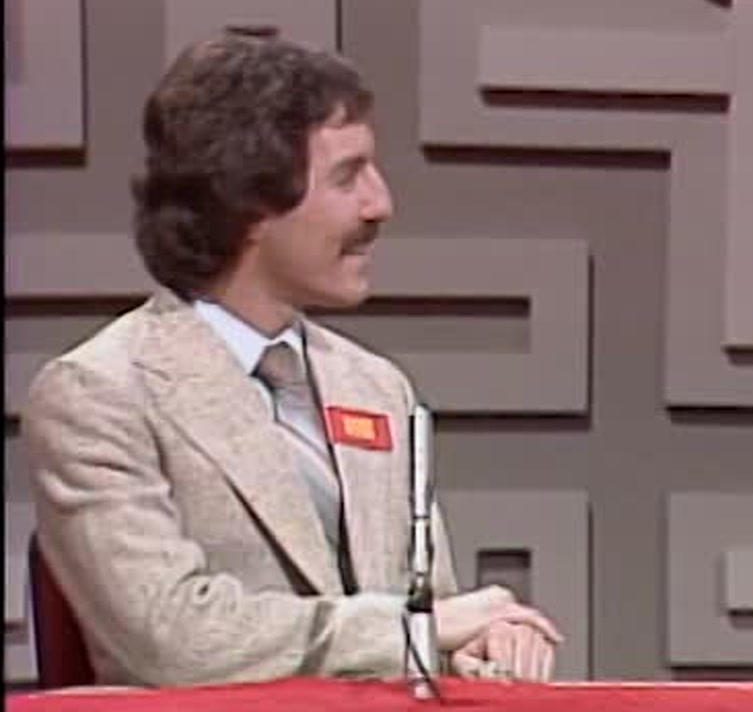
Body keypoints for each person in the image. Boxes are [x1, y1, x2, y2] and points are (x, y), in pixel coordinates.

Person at [23, 34, 562, 687]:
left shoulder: (375, 386)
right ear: (249, 205)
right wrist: (413, 631)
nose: (380, 204)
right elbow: (174, 639)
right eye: (347, 176)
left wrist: (478, 643)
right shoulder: (98, 395)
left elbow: (431, 616)